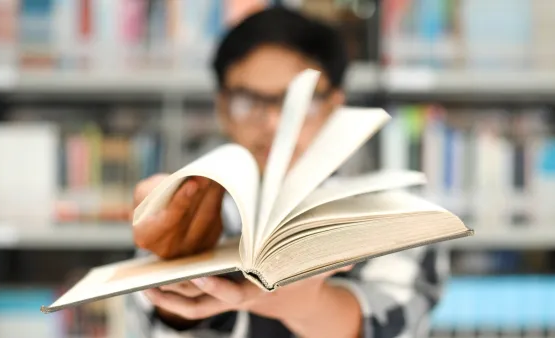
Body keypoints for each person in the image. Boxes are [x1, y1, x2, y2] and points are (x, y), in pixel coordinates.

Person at [128, 6, 448, 338]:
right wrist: (177, 290)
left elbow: (395, 322)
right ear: (222, 108)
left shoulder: (394, 213)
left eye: (300, 101)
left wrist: (308, 307)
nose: (273, 123)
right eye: (248, 101)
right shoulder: (182, 213)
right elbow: (155, 325)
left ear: (333, 106)